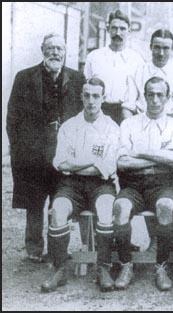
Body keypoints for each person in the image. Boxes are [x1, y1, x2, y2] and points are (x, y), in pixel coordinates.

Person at [6, 33, 84, 263]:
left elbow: (83, 117)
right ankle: (33, 248)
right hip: (34, 154)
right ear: (42, 50)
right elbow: (13, 117)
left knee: (62, 199)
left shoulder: (77, 78)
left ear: (65, 52)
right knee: (34, 201)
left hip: (64, 153)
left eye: (59, 49)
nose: (55, 53)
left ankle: (58, 247)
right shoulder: (24, 77)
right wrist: (19, 149)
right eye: (50, 48)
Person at [41, 78, 120, 293]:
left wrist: (79, 165)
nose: (91, 101)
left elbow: (108, 166)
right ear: (81, 96)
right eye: (87, 95)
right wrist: (93, 162)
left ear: (103, 98)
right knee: (57, 211)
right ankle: (60, 268)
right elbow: (61, 163)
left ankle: (103, 267)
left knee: (105, 210)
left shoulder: (111, 128)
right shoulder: (69, 126)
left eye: (96, 96)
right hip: (71, 185)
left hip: (100, 184)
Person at [113, 77, 173, 291]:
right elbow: (122, 162)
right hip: (133, 184)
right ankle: (126, 265)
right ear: (144, 97)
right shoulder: (129, 124)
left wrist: (142, 153)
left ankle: (161, 267)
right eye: (150, 94)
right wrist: (159, 157)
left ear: (167, 97)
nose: (155, 99)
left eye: (159, 94)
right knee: (120, 207)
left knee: (165, 207)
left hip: (163, 184)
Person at [84, 10, 145, 125]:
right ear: (108, 29)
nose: (118, 33)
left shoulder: (137, 60)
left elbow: (141, 94)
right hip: (99, 111)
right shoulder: (94, 57)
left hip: (125, 114)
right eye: (114, 28)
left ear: (129, 31)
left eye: (122, 29)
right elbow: (87, 86)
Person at [134, 29, 173, 121]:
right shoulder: (139, 71)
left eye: (166, 48)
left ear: (172, 49)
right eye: (157, 47)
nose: (161, 53)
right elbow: (128, 107)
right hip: (143, 121)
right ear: (151, 47)